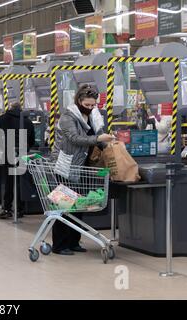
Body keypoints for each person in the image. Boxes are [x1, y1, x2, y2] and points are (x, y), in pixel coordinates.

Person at [50, 85, 115, 255]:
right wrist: (98, 138)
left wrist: (109, 144)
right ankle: (59, 245)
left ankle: (73, 241)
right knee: (65, 206)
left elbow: (95, 137)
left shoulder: (92, 116)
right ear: (79, 101)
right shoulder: (67, 117)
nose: (91, 108)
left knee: (78, 206)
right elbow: (75, 138)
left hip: (82, 166)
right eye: (87, 105)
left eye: (93, 105)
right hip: (65, 165)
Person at [0, 102, 35, 219]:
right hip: (22, 153)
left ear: (10, 108)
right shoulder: (27, 120)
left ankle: (7, 208)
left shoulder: (3, 118)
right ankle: (20, 209)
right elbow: (32, 139)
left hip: (8, 152)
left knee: (8, 181)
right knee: (20, 181)